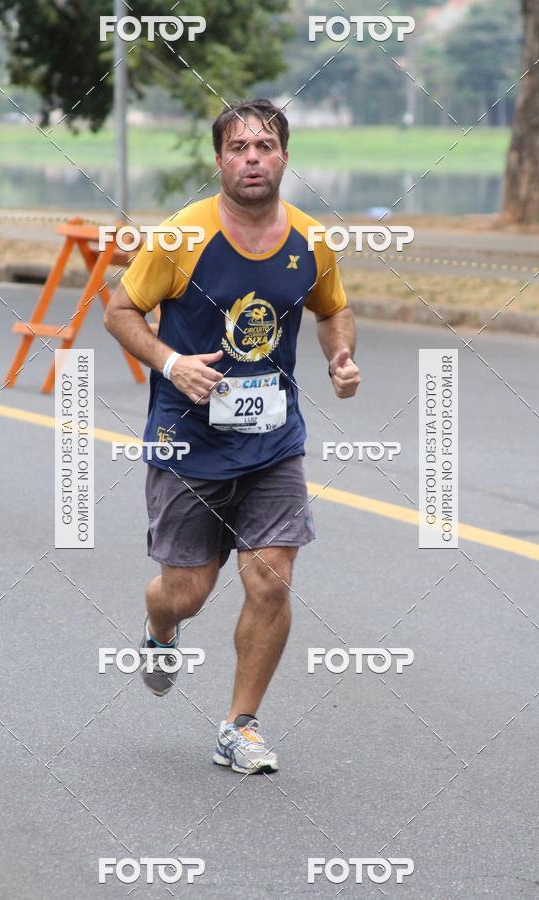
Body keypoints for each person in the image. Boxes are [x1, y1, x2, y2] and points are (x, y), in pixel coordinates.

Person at [104, 98, 360, 774]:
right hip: (188, 439)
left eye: (266, 146)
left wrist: (340, 356)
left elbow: (333, 308)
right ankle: (162, 629)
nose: (253, 157)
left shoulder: (309, 239)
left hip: (274, 439)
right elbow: (120, 309)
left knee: (271, 583)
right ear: (219, 160)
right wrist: (169, 362)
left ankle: (239, 725)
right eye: (240, 147)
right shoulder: (182, 236)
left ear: (283, 158)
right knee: (187, 591)